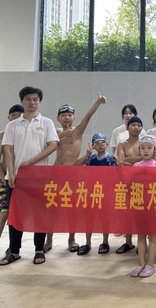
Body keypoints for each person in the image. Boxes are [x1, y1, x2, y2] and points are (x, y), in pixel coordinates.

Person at [0, 86, 59, 266]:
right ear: (21, 101)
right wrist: (11, 172)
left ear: (39, 102)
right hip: (17, 178)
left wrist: (31, 162)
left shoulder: (46, 122)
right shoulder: (12, 125)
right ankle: (14, 251)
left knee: (40, 214)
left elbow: (52, 145)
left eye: (35, 99)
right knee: (15, 214)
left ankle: (39, 250)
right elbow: (8, 150)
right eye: (28, 99)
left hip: (40, 176)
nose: (31, 102)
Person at [49, 93, 106, 252]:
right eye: (63, 115)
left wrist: (98, 103)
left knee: (71, 208)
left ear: (74, 117)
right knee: (52, 207)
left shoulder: (78, 131)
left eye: (69, 115)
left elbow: (87, 117)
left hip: (72, 174)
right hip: (56, 172)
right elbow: (49, 142)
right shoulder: (55, 131)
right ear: (58, 118)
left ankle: (71, 239)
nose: (66, 117)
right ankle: (48, 241)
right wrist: (62, 135)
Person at [0, 104, 24, 263]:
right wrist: (4, 179)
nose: (16, 118)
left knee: (20, 214)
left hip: (23, 181)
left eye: (19, 115)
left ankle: (13, 248)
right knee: (4, 211)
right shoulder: (1, 136)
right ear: (8, 117)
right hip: (5, 179)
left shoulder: (26, 135)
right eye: (13, 115)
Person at [74, 133, 117, 255]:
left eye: (102, 142)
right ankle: (87, 243)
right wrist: (86, 154)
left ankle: (105, 242)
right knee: (89, 218)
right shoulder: (90, 158)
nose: (100, 145)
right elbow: (76, 165)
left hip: (106, 193)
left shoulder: (111, 158)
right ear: (93, 146)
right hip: (91, 192)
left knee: (104, 218)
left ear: (107, 144)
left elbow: (116, 174)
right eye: (97, 143)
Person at [130, 135, 156, 277]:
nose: (146, 151)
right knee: (141, 236)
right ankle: (141, 263)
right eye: (142, 148)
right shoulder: (136, 166)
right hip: (139, 206)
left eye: (149, 148)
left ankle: (151, 264)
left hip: (153, 206)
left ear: (154, 150)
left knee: (152, 236)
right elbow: (130, 184)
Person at [115, 116, 144, 254]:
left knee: (141, 213)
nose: (136, 128)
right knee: (127, 213)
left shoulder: (144, 143)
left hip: (142, 182)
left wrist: (128, 160)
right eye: (133, 125)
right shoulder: (122, 144)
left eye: (139, 125)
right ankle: (128, 242)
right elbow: (120, 162)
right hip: (126, 181)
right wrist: (137, 162)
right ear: (127, 128)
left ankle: (141, 242)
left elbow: (145, 158)